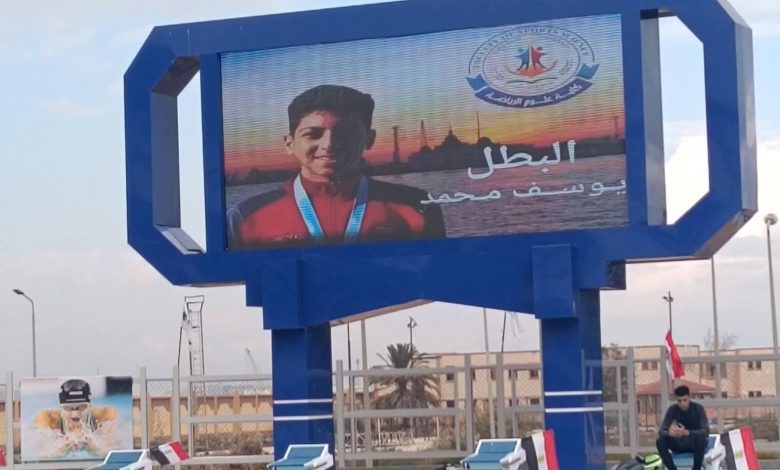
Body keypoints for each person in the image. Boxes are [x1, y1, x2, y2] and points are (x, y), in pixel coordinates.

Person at [228, 84, 445, 248]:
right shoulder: (244, 218)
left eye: (346, 133)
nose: (329, 144)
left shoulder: (419, 207)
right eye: (313, 134)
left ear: (369, 139)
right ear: (289, 143)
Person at [33, 379, 118, 455]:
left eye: (82, 407)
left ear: (90, 406)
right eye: (68, 408)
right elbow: (41, 456)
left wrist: (92, 448)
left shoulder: (105, 415)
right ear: (60, 408)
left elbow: (114, 451)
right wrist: (63, 449)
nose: (75, 415)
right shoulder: (47, 418)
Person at [656, 385, 709, 470]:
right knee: (660, 441)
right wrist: (669, 433)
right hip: (679, 442)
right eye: (679, 401)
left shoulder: (698, 408)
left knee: (701, 438)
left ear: (689, 397)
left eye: (685, 400)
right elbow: (661, 430)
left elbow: (705, 431)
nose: (682, 404)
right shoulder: (672, 409)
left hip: (694, 443)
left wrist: (687, 432)